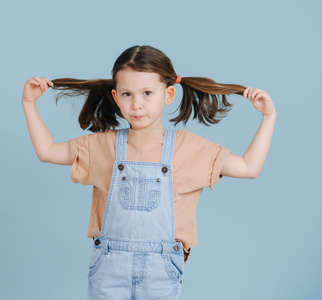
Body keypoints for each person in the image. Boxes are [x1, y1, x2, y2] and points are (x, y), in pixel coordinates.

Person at [21, 45, 276, 300]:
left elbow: (248, 167)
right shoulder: (101, 146)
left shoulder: (190, 149)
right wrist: (29, 103)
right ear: (115, 96)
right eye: (127, 94)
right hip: (108, 271)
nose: (136, 104)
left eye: (147, 93)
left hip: (161, 274)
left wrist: (268, 117)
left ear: (168, 95)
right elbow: (47, 151)